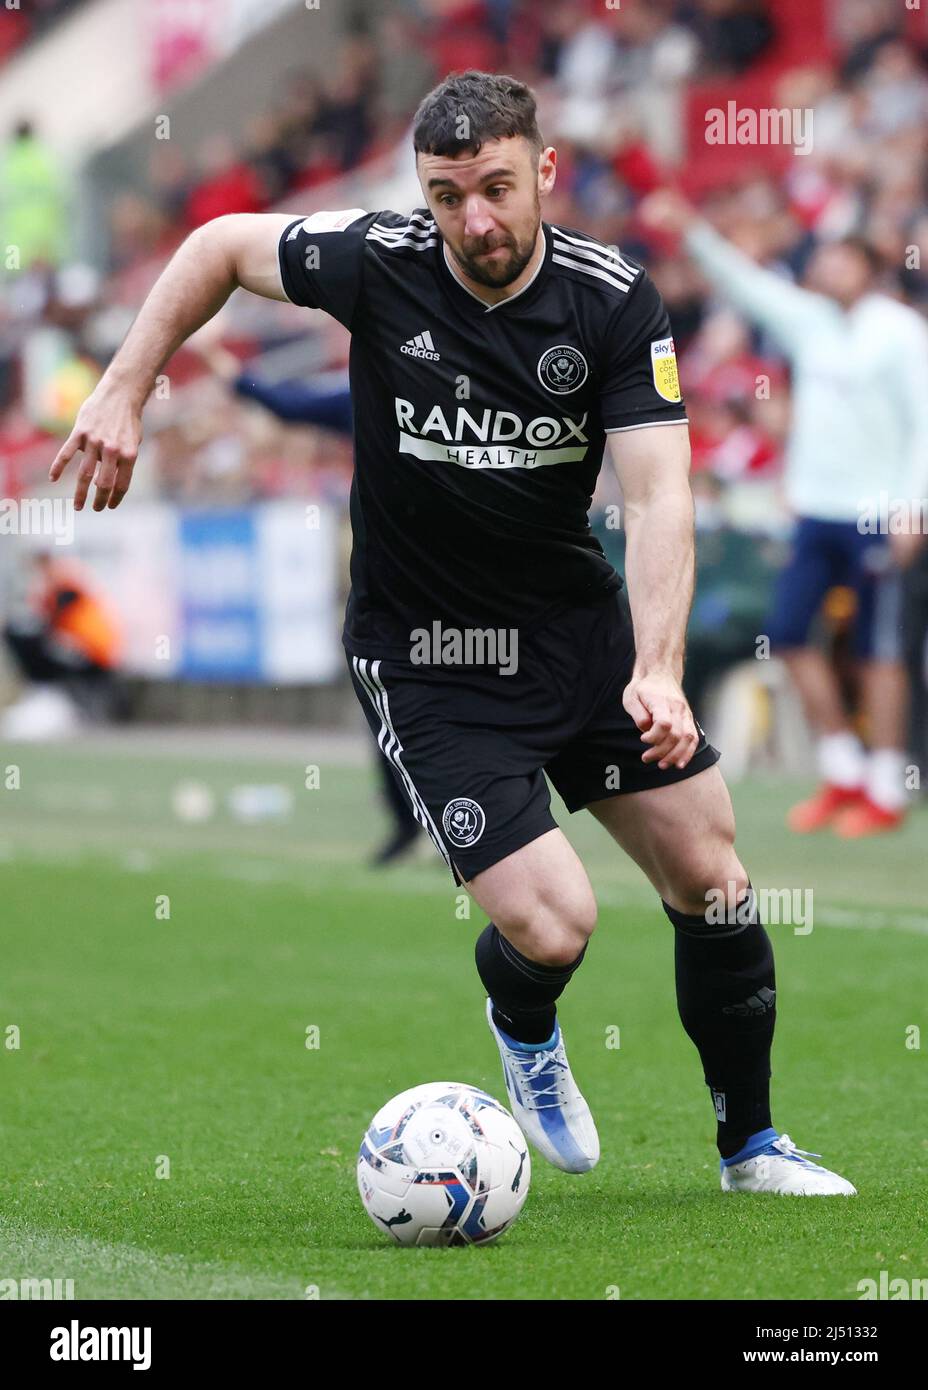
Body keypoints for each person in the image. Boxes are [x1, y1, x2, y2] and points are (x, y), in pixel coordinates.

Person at [50, 71, 855, 1196]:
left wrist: (660, 670)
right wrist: (126, 385)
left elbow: (661, 495)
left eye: (495, 188)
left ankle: (752, 1147)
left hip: (578, 636)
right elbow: (219, 243)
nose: (473, 219)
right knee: (556, 924)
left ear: (544, 174)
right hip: (428, 657)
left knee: (713, 875)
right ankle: (523, 1024)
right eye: (446, 194)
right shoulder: (378, 259)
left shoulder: (611, 298)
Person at [643, 190, 928, 837]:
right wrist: (689, 227)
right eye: (822, 261)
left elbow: (924, 425)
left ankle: (887, 786)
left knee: (880, 650)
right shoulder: (811, 322)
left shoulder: (901, 332)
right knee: (790, 631)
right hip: (815, 511)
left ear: (868, 267)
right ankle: (842, 770)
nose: (825, 271)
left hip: (878, 514)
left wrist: (912, 508)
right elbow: (742, 282)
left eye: (839, 261)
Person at [189, 330, 422, 865]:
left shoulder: (447, 394)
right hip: (394, 580)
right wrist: (223, 364)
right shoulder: (367, 397)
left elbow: (284, 403)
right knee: (388, 704)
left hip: (455, 577)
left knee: (431, 704)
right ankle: (413, 821)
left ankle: (449, 823)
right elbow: (282, 402)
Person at [2, 552, 123, 730]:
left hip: (93, 656)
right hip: (86, 653)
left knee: (28, 643)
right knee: (25, 640)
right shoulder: (61, 592)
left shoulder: (66, 592)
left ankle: (47, 694)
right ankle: (44, 693)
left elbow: (48, 626)